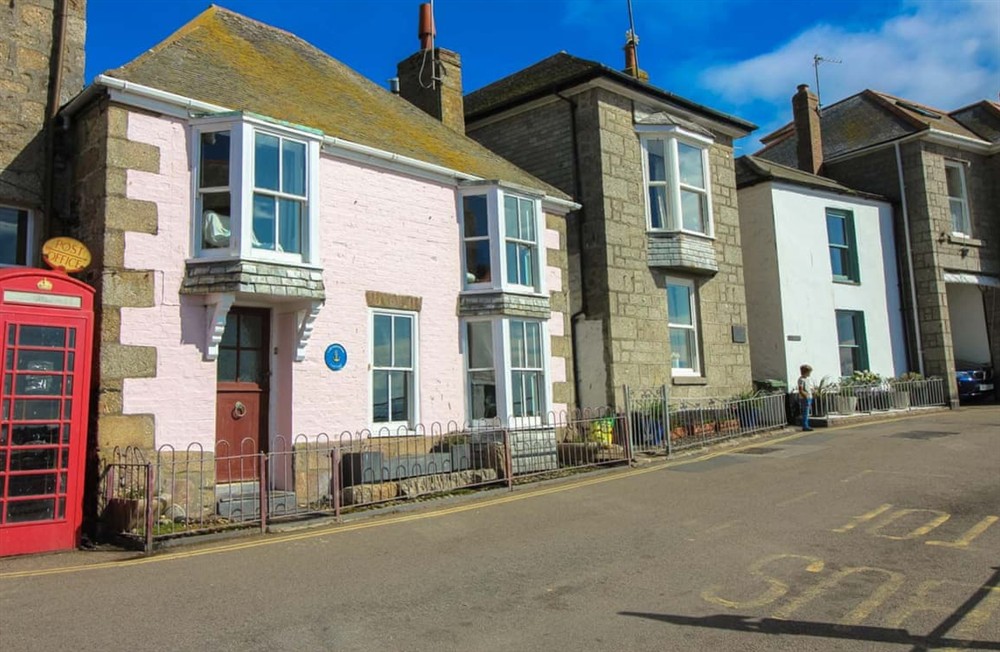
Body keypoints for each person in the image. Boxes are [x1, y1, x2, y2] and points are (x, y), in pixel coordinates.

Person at [797, 364, 815, 431]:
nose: (810, 374)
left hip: (809, 397)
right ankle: (805, 426)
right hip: (805, 398)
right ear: (805, 372)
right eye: (809, 372)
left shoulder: (806, 379)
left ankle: (806, 425)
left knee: (807, 412)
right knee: (805, 412)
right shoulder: (801, 380)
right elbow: (800, 390)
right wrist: (805, 396)